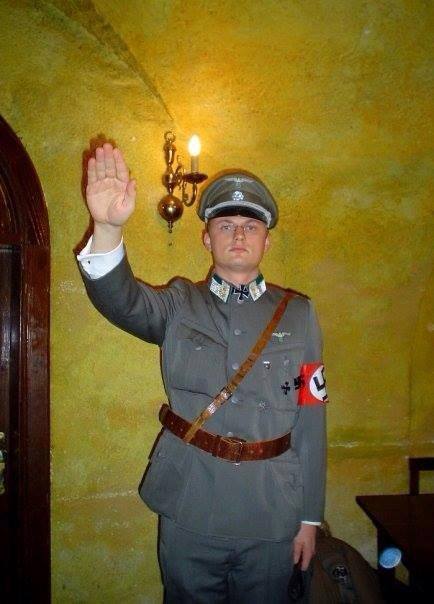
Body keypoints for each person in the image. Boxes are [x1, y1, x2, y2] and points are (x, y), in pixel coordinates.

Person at [77, 142, 327, 603]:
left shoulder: (299, 313)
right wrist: (108, 228)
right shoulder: (179, 303)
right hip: (190, 504)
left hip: (272, 511)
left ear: (267, 241)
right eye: (225, 225)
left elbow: (312, 418)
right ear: (206, 239)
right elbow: (121, 301)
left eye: (251, 226)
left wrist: (310, 517)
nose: (239, 234)